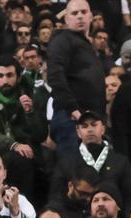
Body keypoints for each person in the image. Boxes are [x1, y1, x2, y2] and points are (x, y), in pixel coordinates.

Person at [0, 55, 45, 198]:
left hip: (29, 155)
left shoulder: (30, 98)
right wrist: (14, 145)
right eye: (1, 76)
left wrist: (30, 113)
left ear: (18, 77)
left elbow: (41, 134)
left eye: (9, 75)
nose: (5, 80)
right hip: (1, 153)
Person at [46, 0, 106, 155]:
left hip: (88, 118)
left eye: (83, 12)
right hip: (71, 118)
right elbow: (55, 76)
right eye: (74, 13)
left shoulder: (86, 44)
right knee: (73, 171)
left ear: (91, 16)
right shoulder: (62, 40)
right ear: (66, 19)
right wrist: (73, 108)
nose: (79, 16)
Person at [48, 110, 131, 207]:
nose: (90, 129)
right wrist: (69, 199)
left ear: (103, 129)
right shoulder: (65, 162)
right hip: (76, 217)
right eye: (85, 126)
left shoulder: (120, 162)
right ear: (78, 132)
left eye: (94, 125)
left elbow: (130, 197)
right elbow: (55, 197)